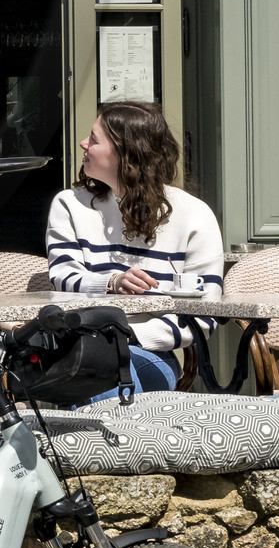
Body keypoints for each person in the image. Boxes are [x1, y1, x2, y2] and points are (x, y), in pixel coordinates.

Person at [46, 100, 223, 390]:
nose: (82, 143)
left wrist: (129, 335)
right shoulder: (70, 205)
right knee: (98, 367)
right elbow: (62, 276)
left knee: (106, 368)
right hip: (78, 345)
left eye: (94, 139)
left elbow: (205, 313)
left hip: (149, 350)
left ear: (126, 154)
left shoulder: (194, 215)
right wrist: (112, 282)